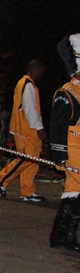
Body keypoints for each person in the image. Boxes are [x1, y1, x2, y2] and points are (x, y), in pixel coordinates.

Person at [0, 60, 46, 201]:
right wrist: (39, 127)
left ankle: (27, 192)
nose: (42, 74)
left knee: (32, 161)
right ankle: (0, 179)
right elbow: (29, 109)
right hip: (26, 130)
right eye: (41, 71)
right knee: (26, 159)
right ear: (36, 69)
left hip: (26, 128)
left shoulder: (24, 84)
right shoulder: (27, 85)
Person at [49, 34, 80, 253]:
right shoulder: (67, 92)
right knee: (75, 195)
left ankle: (60, 236)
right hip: (73, 150)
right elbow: (58, 126)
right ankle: (66, 236)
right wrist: (59, 155)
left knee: (74, 195)